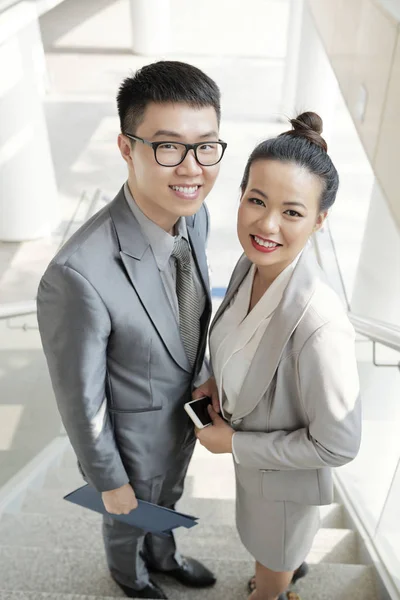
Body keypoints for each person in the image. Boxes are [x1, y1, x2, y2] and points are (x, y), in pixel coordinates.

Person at [37, 60, 226, 600]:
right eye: (168, 147)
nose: (191, 169)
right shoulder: (77, 275)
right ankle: (131, 576)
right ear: (127, 148)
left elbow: (184, 314)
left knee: (171, 497)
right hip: (130, 444)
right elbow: (80, 401)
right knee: (126, 518)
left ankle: (165, 555)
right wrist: (109, 482)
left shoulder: (196, 216)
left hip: (186, 418)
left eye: (206, 146)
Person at [194, 112, 361, 600]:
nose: (265, 225)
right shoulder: (252, 262)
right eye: (256, 201)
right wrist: (214, 384)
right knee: (270, 551)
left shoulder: (320, 327)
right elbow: (239, 342)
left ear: (319, 220)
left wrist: (235, 445)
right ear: (241, 195)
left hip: (284, 491)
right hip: (256, 470)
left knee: (272, 564)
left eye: (291, 212)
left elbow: (339, 446)